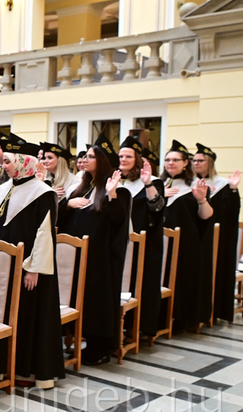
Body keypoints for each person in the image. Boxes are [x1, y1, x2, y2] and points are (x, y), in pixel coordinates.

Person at [0, 137, 63, 389]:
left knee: (28, 316)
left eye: (9, 162)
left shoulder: (43, 193)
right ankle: (0, 367)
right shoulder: (1, 190)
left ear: (24, 163)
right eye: (5, 161)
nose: (4, 165)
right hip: (2, 267)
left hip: (30, 268)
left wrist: (34, 269)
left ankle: (27, 370)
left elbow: (44, 234)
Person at [58, 134, 130, 366]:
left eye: (91, 157)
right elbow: (63, 218)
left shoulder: (119, 191)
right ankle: (72, 336)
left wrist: (112, 194)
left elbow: (118, 222)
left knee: (96, 302)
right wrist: (67, 204)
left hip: (100, 258)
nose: (85, 160)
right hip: (75, 256)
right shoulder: (81, 187)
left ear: (102, 161)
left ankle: (99, 346)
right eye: (86, 156)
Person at [161, 140, 215, 331]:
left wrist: (201, 200)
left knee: (182, 280)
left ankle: (180, 318)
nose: (170, 163)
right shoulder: (157, 184)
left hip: (186, 243)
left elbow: (206, 216)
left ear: (186, 163)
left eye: (175, 160)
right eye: (167, 159)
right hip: (161, 242)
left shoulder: (195, 185)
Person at [117, 136, 165, 338]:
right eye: (121, 156)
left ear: (137, 159)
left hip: (144, 242)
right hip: (118, 241)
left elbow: (158, 208)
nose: (123, 159)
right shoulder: (114, 179)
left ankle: (137, 327)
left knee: (141, 283)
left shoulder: (153, 182)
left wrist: (147, 184)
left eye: (128, 156)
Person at [191, 143, 241, 324]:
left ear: (210, 162)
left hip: (217, 237)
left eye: (200, 160)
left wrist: (233, 189)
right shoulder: (188, 183)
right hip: (195, 235)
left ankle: (215, 310)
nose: (196, 163)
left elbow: (232, 213)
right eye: (194, 160)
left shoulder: (223, 184)